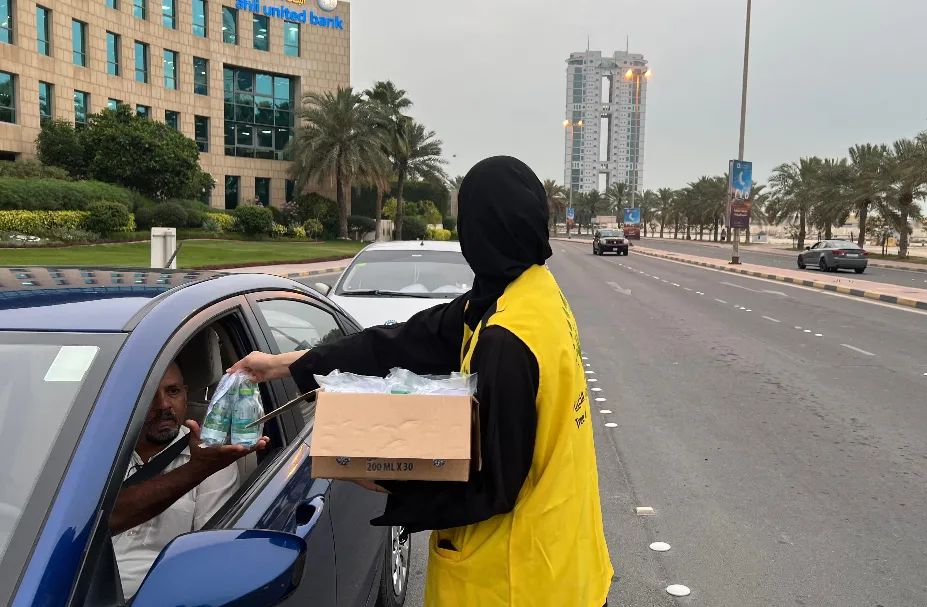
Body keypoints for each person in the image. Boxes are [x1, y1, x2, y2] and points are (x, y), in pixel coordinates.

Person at [229, 156, 613, 606]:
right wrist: (285, 365)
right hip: (567, 558)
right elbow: (401, 342)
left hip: (515, 580)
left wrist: (387, 478)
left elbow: (493, 485)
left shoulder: (507, 339)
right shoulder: (530, 292)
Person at [110, 362, 268, 599]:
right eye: (148, 394)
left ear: (185, 395)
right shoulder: (99, 455)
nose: (163, 405)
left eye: (173, 391)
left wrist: (199, 468)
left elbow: (209, 558)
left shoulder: (212, 460)